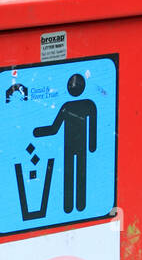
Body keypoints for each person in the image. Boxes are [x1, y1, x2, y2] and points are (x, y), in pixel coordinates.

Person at [33, 73, 96, 213]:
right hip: (76, 146)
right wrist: (92, 145)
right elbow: (55, 128)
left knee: (75, 174)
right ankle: (76, 205)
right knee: (76, 173)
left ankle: (73, 206)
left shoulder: (82, 105)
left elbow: (54, 128)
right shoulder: (85, 104)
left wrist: (37, 132)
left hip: (75, 146)